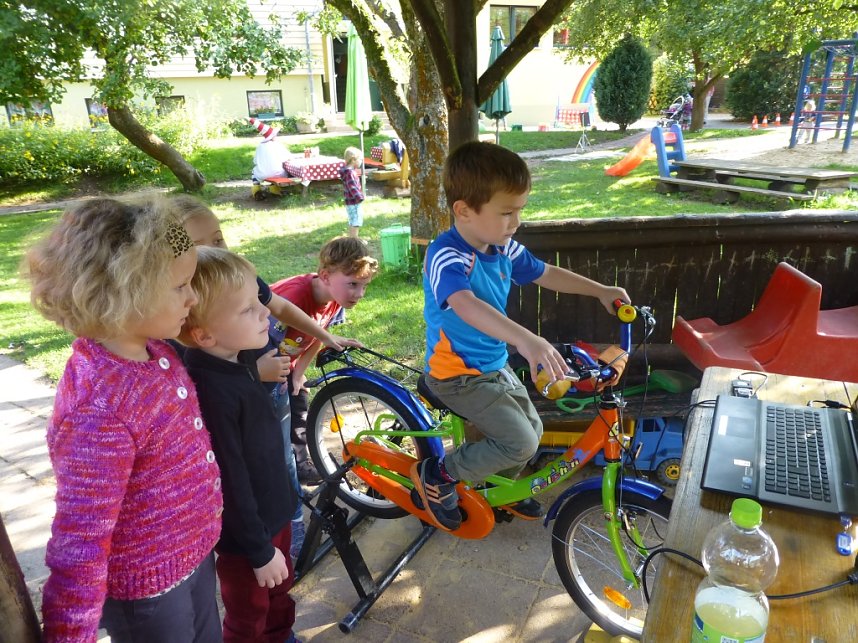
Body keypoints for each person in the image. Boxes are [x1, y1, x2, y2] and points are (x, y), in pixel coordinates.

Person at [25, 196, 223, 642]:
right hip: (147, 596)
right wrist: (70, 633)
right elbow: (81, 538)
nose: (192, 297)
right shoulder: (99, 408)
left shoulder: (156, 351)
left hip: (192, 558)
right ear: (125, 292)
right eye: (181, 286)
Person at [411, 141, 630, 532]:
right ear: (464, 210)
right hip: (456, 375)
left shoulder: (502, 247)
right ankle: (439, 473)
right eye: (506, 212)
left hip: (493, 365)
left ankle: (500, 488)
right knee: (520, 442)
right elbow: (465, 304)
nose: (516, 222)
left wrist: (600, 290)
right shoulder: (446, 254)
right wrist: (526, 340)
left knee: (534, 431)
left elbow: (546, 273)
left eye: (520, 210)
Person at [172, 195, 360, 559]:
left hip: (273, 386)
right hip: (249, 391)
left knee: (281, 457)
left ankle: (291, 530)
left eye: (218, 238)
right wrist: (255, 372)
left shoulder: (234, 276)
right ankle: (280, 540)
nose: (216, 249)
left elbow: (280, 307)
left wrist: (324, 337)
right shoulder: (187, 305)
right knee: (256, 467)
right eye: (199, 245)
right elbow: (201, 372)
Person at [179, 247, 300, 643]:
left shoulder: (237, 359)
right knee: (250, 613)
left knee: (280, 595)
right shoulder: (211, 392)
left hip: (274, 514)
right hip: (248, 538)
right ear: (204, 334)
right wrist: (258, 550)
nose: (265, 312)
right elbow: (228, 481)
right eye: (248, 309)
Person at [269, 237, 378, 486]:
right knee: (273, 421)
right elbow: (259, 339)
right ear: (326, 276)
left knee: (299, 407)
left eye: (364, 286)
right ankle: (279, 474)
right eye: (353, 284)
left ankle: (300, 465)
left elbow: (319, 335)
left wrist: (298, 373)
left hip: (286, 365)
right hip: (261, 365)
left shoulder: (333, 298)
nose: (359, 294)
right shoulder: (296, 296)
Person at [339, 146, 364, 238]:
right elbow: (352, 187)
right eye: (360, 159)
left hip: (350, 202)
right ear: (353, 160)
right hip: (354, 202)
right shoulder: (350, 173)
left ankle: (352, 239)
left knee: (352, 221)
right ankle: (354, 241)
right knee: (356, 222)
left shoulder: (348, 172)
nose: (361, 161)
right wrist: (359, 197)